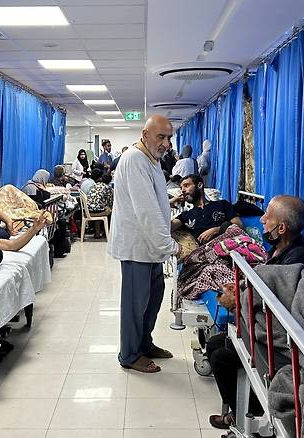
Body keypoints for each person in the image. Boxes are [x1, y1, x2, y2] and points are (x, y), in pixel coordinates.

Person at [206, 195, 304, 431]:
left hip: (284, 343)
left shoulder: (299, 260)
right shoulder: (278, 249)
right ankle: (239, 409)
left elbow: (281, 308)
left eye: (267, 216)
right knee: (215, 344)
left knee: (220, 357)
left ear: (281, 228)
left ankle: (247, 413)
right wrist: (241, 288)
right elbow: (263, 286)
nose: (262, 219)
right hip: (265, 325)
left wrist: (238, 301)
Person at [108, 114, 181, 374]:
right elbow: (147, 212)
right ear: (145, 133)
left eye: (169, 137)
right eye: (161, 136)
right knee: (135, 305)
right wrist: (173, 247)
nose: (166, 143)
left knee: (152, 301)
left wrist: (170, 228)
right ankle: (129, 354)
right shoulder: (134, 160)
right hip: (137, 247)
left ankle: (144, 344)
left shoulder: (152, 160)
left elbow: (156, 203)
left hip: (151, 247)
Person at [170, 174, 243, 244]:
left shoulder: (222, 204)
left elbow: (238, 225)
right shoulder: (185, 215)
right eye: (181, 188)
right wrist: (169, 203)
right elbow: (166, 229)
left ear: (199, 185)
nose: (183, 190)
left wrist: (217, 230)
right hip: (207, 252)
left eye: (186, 186)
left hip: (230, 244)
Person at [87, 173, 114, 238]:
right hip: (98, 211)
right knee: (110, 211)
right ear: (109, 181)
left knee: (99, 208)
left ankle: (97, 233)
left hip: (88, 211)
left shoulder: (94, 185)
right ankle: (106, 232)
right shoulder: (108, 188)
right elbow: (110, 203)